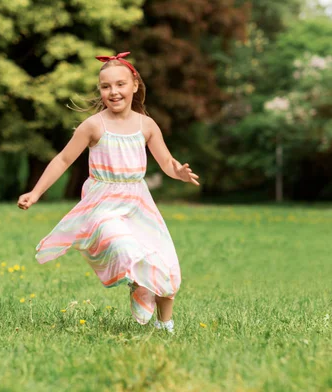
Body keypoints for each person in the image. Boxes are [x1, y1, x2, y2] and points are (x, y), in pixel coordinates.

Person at [17, 52, 199, 332]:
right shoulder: (94, 126)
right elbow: (63, 159)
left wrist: (179, 172)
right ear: (100, 90)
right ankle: (139, 283)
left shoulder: (146, 125)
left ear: (135, 85)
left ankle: (165, 325)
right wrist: (36, 192)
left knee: (164, 259)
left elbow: (166, 162)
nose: (113, 92)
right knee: (125, 246)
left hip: (139, 202)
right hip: (103, 204)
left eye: (120, 84)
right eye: (106, 86)